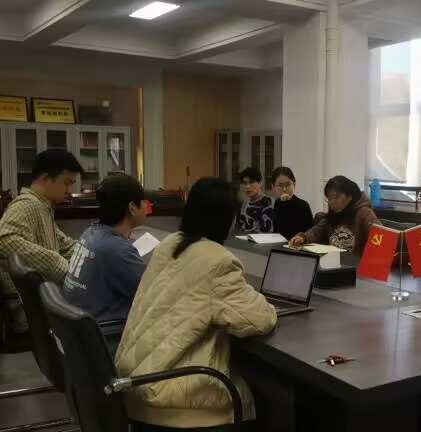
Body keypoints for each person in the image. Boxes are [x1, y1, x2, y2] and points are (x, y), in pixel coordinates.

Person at [115, 177, 277, 431]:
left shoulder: (170, 244)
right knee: (269, 398)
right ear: (226, 219)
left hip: (136, 380)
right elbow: (258, 319)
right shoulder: (217, 260)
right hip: (174, 398)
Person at [0, 149, 83, 335]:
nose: (69, 190)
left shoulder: (43, 207)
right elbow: (4, 239)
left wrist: (92, 254)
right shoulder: (27, 205)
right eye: (66, 182)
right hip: (37, 309)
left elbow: (64, 244)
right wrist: (57, 263)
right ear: (46, 178)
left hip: (46, 301)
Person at [63, 174, 147, 325]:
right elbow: (152, 294)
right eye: (144, 201)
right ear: (132, 208)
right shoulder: (117, 250)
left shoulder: (90, 233)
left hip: (81, 328)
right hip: (108, 332)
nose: (147, 205)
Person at [289, 176, 379, 254]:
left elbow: (381, 236)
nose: (332, 202)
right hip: (333, 263)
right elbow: (317, 231)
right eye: (329, 198)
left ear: (350, 196)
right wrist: (303, 237)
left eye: (336, 197)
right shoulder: (333, 214)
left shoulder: (364, 212)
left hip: (355, 266)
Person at [271, 166, 314, 240]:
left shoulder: (303, 205)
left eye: (288, 185)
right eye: (280, 185)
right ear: (273, 187)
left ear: (294, 184)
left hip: (297, 245)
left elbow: (309, 233)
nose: (284, 189)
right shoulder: (273, 205)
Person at [236, 167, 274, 233]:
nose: (247, 186)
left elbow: (268, 230)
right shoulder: (242, 206)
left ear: (260, 183)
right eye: (245, 183)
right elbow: (236, 229)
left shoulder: (268, 202)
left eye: (251, 182)